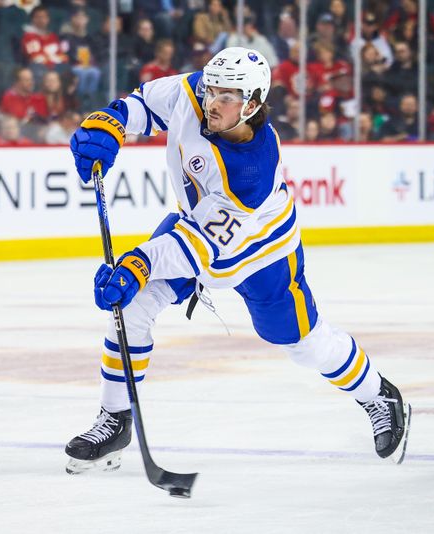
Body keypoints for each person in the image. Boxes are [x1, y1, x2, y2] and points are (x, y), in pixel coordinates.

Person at [65, 47, 411, 474]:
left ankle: (378, 394)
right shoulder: (195, 92)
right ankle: (115, 419)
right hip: (194, 224)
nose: (212, 101)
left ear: (251, 104)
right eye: (212, 90)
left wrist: (137, 264)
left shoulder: (253, 172)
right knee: (132, 305)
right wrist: (110, 122)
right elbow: (142, 105)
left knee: (302, 344)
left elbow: (198, 247)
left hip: (263, 248)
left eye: (227, 97)